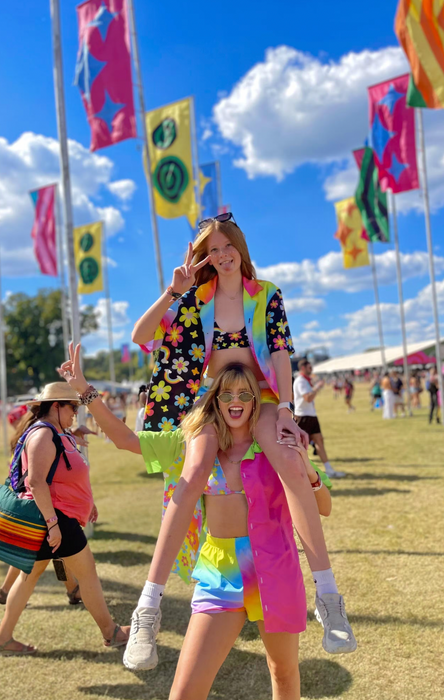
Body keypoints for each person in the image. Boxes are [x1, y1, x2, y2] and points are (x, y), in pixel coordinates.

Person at [58, 353, 356, 693]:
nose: (236, 401)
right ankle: (147, 612)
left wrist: (308, 468)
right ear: (215, 399)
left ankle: (331, 606)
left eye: (245, 394)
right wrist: (85, 391)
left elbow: (324, 507)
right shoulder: (193, 444)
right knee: (185, 691)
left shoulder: (274, 443)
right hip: (219, 572)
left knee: (283, 673)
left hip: (274, 566)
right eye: (226, 394)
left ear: (256, 400)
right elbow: (127, 439)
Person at [127, 213, 349, 667]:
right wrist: (173, 290)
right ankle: (147, 607)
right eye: (212, 248)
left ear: (241, 250)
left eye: (228, 246)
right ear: (202, 257)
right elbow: (141, 337)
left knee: (289, 461)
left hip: (263, 397)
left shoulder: (266, 294)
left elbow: (282, 353)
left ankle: (328, 596)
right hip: (213, 399)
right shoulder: (193, 300)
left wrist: (286, 410)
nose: (222, 254)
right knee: (191, 478)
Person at [0, 382, 129, 656]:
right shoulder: (43, 434)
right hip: (55, 520)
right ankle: (111, 632)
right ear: (56, 406)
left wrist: (87, 502)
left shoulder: (56, 431)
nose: (75, 412)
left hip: (55, 517)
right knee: (87, 574)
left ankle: (3, 640)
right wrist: (53, 525)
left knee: (28, 580)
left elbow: (64, 476)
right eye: (72, 407)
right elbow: (37, 482)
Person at [293, 359, 345, 478]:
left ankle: (329, 469)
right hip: (303, 416)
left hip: (310, 415)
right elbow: (308, 398)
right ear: (303, 368)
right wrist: (317, 387)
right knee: (301, 445)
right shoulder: (301, 381)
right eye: (309, 367)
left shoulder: (306, 381)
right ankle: (300, 471)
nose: (311, 369)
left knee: (319, 441)